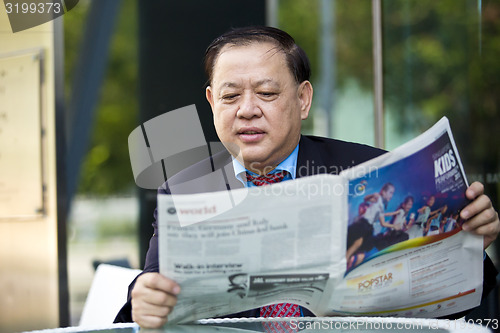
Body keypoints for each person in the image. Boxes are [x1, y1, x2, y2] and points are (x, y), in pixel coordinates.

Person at [114, 26, 500, 328]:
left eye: (266, 93)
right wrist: (142, 297)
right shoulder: (184, 190)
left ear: (303, 100)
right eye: (231, 97)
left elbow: (449, 304)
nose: (247, 110)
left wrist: (467, 244)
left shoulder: (372, 172)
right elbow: (149, 293)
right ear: (213, 102)